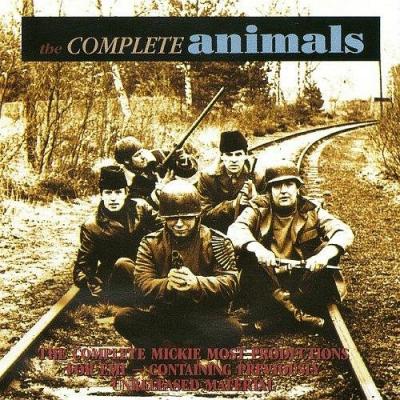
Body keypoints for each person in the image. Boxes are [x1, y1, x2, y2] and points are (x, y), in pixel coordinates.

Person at [114, 180, 242, 359]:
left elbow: (230, 284)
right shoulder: (150, 243)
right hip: (164, 318)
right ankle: (189, 354)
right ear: (164, 218)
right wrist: (168, 285)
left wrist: (196, 283)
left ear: (197, 216)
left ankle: (164, 352)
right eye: (173, 218)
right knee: (124, 318)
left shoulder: (217, 241)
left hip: (203, 318)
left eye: (187, 218)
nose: (179, 224)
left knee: (232, 330)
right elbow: (142, 284)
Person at [227, 159, 354, 332]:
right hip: (268, 281)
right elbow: (236, 229)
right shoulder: (258, 207)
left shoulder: (311, 209)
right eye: (277, 186)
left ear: (297, 188)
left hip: (301, 282)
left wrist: (323, 256)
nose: (284, 191)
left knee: (327, 248)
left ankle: (277, 316)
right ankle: (297, 315)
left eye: (289, 184)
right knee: (249, 255)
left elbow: (343, 231)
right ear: (269, 190)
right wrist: (257, 249)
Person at [73, 165, 161, 305]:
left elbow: (163, 230)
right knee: (123, 264)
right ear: (101, 194)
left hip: (146, 269)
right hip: (116, 280)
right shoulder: (92, 226)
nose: (113, 198)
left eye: (118, 192)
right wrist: (88, 282)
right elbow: (83, 265)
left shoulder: (141, 208)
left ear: (126, 193)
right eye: (108, 193)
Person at [197, 130, 266, 233]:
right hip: (217, 230)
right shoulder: (207, 177)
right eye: (229, 155)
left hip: (249, 228)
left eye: (238, 154)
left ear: (246, 155)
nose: (234, 160)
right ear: (222, 156)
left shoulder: (258, 176)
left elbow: (268, 210)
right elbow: (203, 216)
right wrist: (233, 205)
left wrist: (255, 198)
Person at [114, 136, 198, 208]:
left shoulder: (158, 155)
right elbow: (143, 208)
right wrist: (162, 188)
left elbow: (189, 172)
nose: (143, 157)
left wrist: (181, 158)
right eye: (137, 155)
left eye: (142, 152)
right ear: (127, 161)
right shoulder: (125, 181)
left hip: (181, 199)